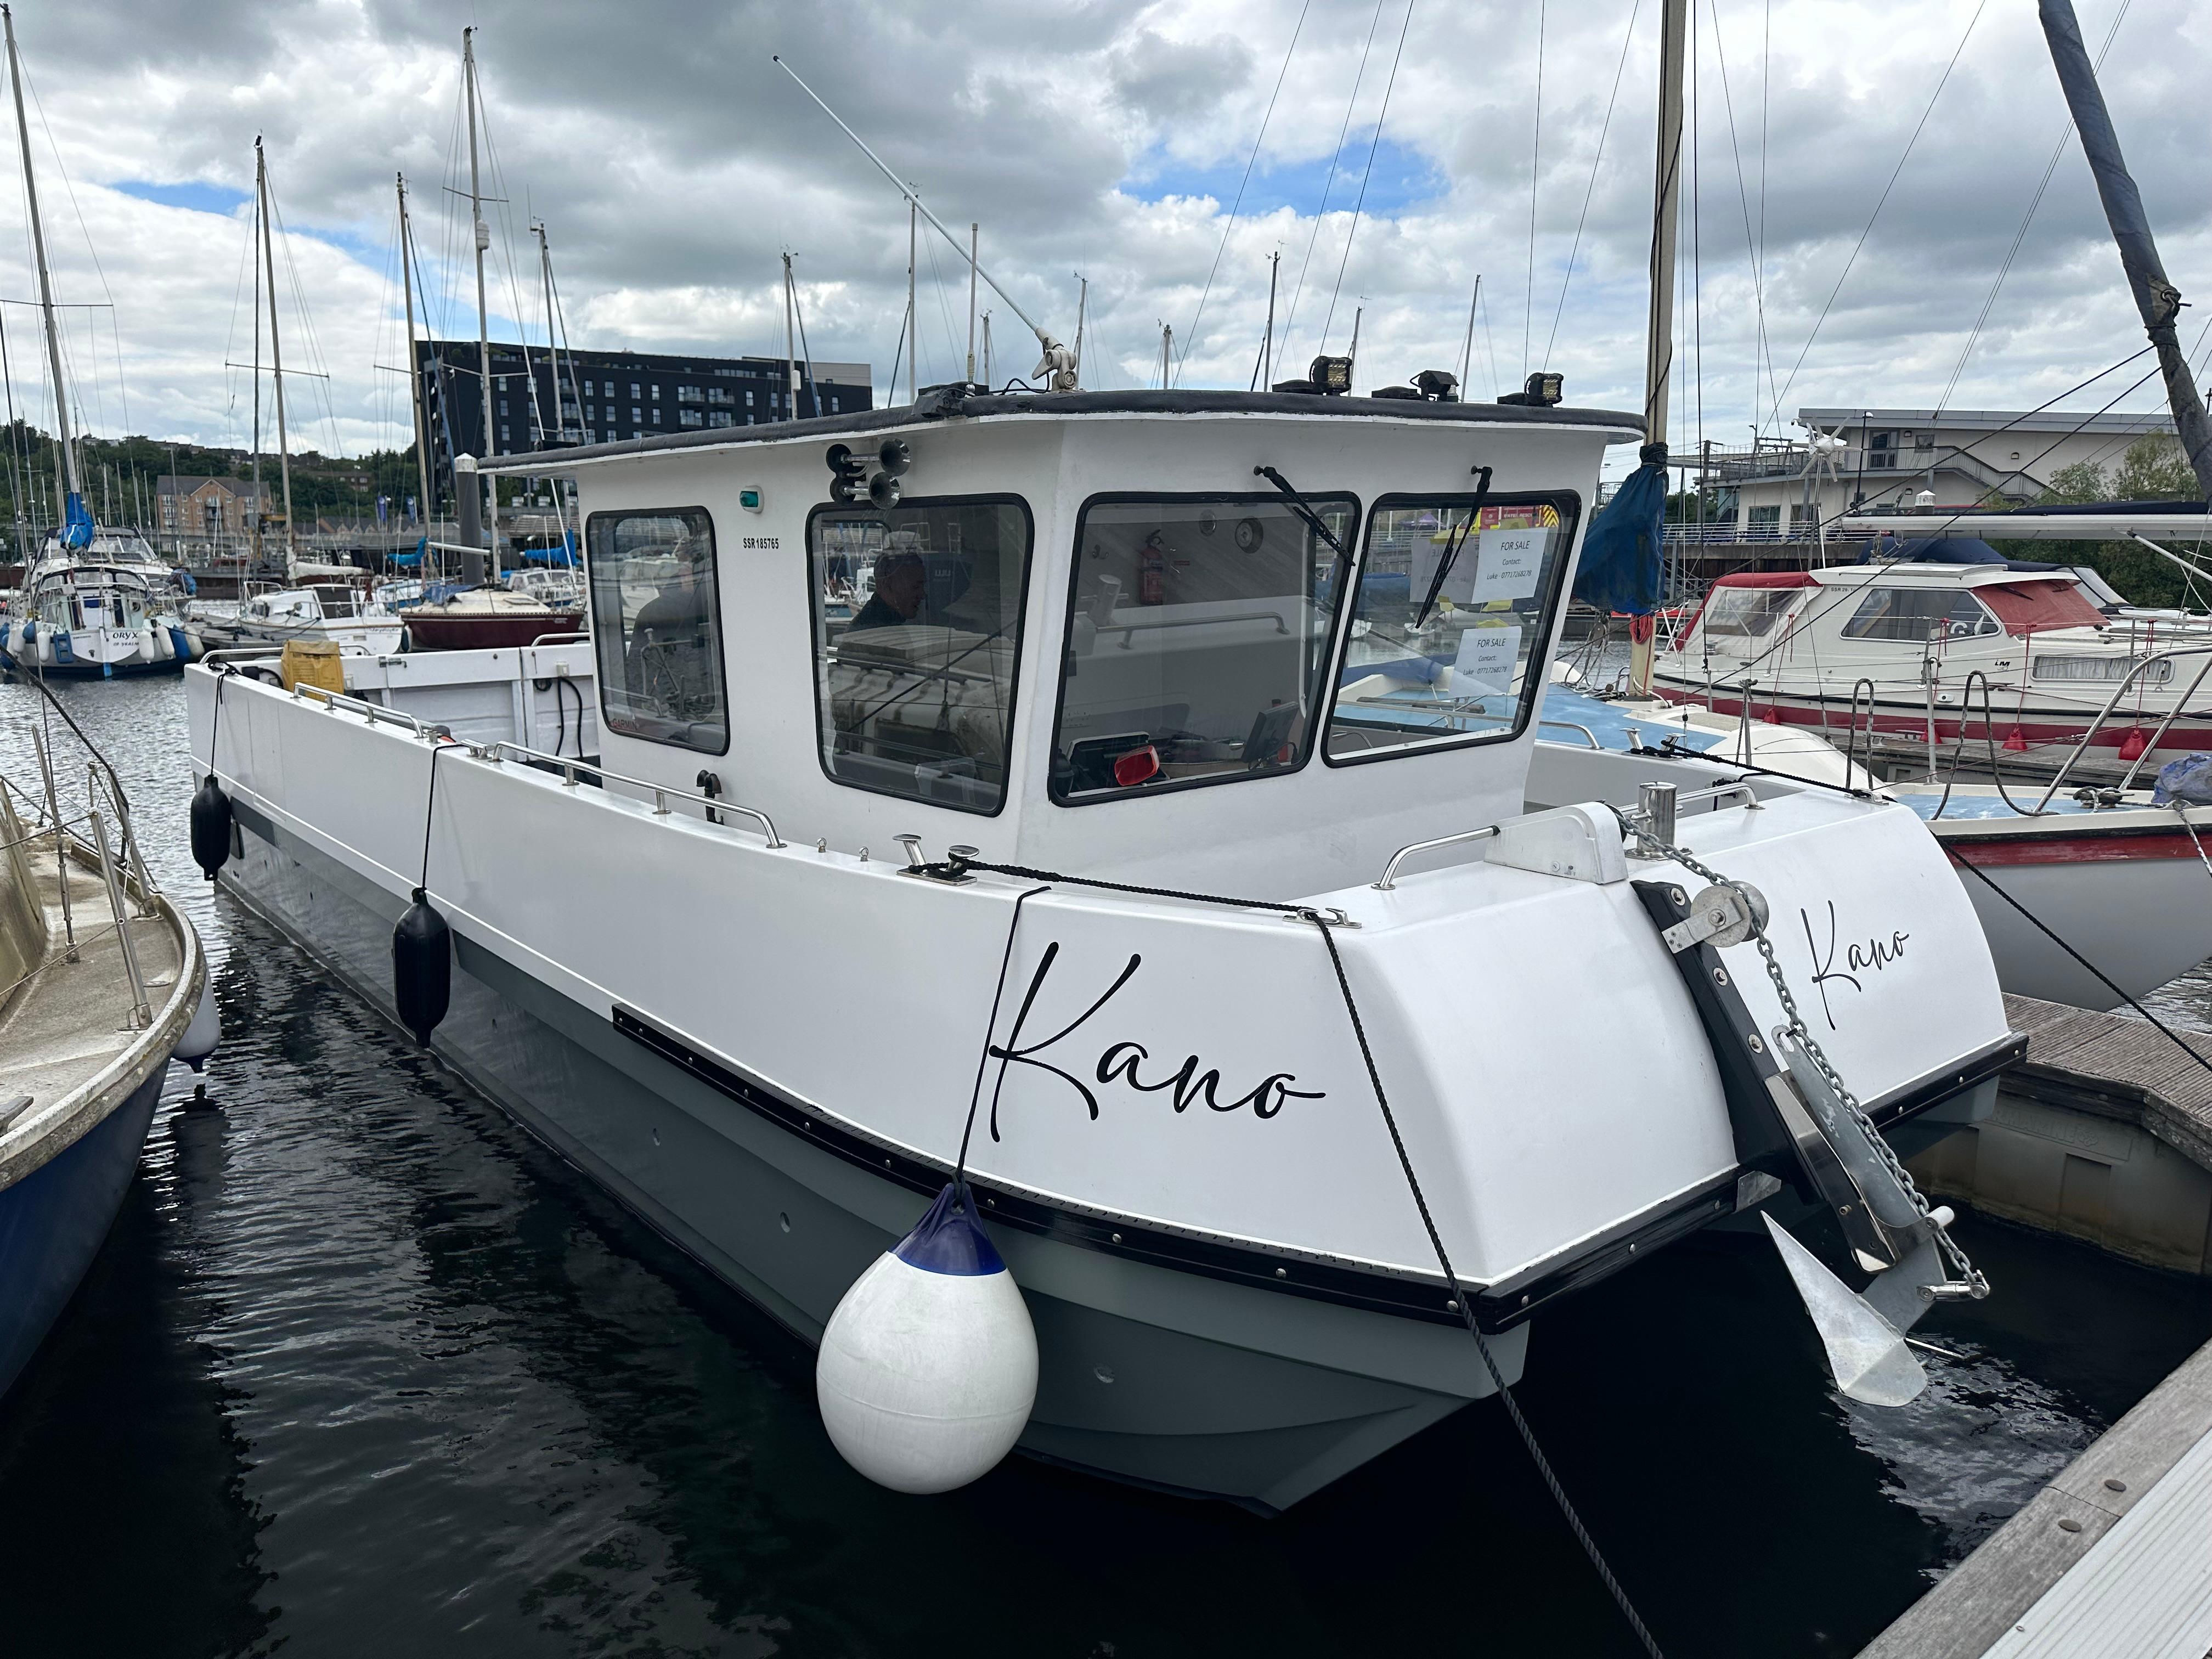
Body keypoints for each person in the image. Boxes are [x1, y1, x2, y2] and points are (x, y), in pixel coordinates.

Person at [848, 550, 927, 632]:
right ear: (886, 584)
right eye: (915, 587)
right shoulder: (877, 630)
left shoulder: (874, 625)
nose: (923, 595)